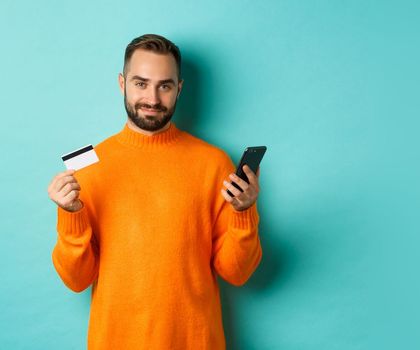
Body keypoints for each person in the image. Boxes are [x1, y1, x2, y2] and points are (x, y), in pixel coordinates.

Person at [46, 33, 262, 349]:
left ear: (180, 89)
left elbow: (236, 274)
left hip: (195, 341)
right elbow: (76, 280)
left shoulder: (213, 163)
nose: (152, 98)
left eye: (165, 85)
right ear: (122, 84)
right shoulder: (88, 166)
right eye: (140, 83)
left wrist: (244, 214)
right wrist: (71, 216)